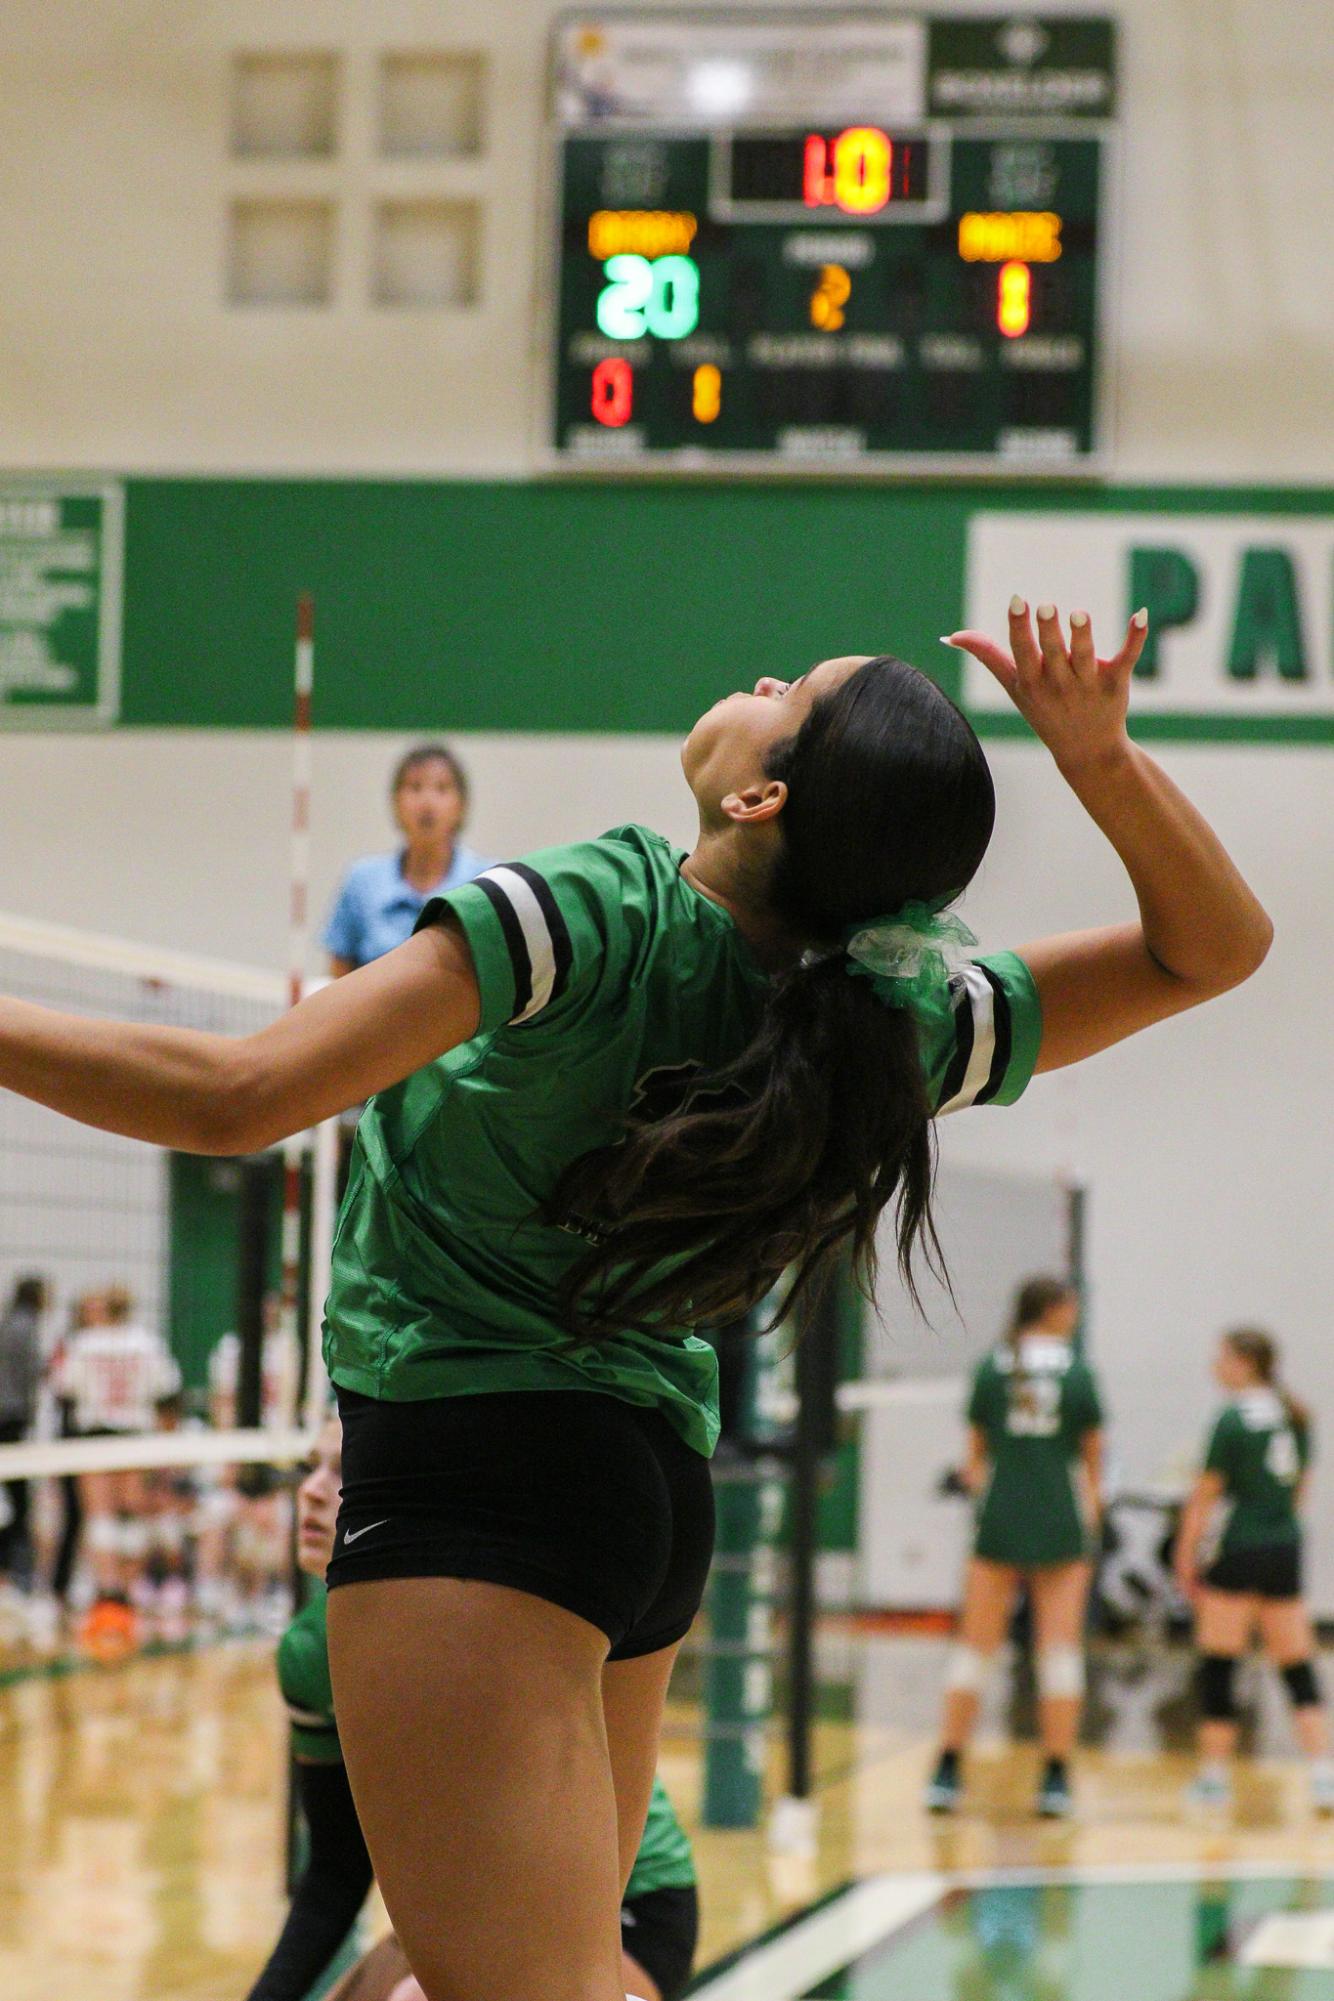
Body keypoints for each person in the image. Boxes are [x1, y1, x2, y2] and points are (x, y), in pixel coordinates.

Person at [0, 601, 1273, 1999]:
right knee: (431, 1978)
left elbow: (235, 1098)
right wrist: (1099, 762)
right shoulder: (876, 1020)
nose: (763, 671)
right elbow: (1207, 947)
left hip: (472, 1497)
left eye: (792, 686)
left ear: (760, 791)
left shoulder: (593, 917)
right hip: (637, 1499)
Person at [249, 1414, 698, 2001]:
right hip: (480, 1900)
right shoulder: (310, 1653)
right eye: (311, 1468)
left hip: (625, 1899)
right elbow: (336, 1873)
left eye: (342, 1471)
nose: (311, 1490)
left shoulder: (464, 1623)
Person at [925, 1276, 1105, 1819]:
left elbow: (973, 1458)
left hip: (1000, 1517)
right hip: (1060, 1518)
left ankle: (948, 1768)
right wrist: (1091, 1518)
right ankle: (1055, 1777)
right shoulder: (1078, 1371)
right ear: (1053, 1310)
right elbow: (1093, 1456)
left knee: (974, 1647)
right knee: (1059, 1651)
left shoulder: (991, 1365)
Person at [1174, 1327, 1334, 1813]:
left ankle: (1213, 1779)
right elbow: (1300, 1491)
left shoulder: (1231, 1419)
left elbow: (1206, 1495)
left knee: (1219, 1662)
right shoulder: (1296, 1413)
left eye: (1222, 1358)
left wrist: (1186, 1554)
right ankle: (1324, 1773)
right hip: (1284, 1547)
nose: (1215, 1367)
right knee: (1296, 1662)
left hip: (1238, 1546)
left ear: (1247, 1362)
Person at [324, 742, 494, 976]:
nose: (427, 802)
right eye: (415, 788)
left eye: (442, 789)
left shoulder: (487, 882)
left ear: (461, 805)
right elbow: (339, 972)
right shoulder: (361, 880)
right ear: (395, 802)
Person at [0, 1274, 48, 1591]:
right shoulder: (25, 1326)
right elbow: (31, 1372)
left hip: (8, 1414)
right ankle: (16, 1570)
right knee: (18, 1500)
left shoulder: (8, 1322)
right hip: (11, 1417)